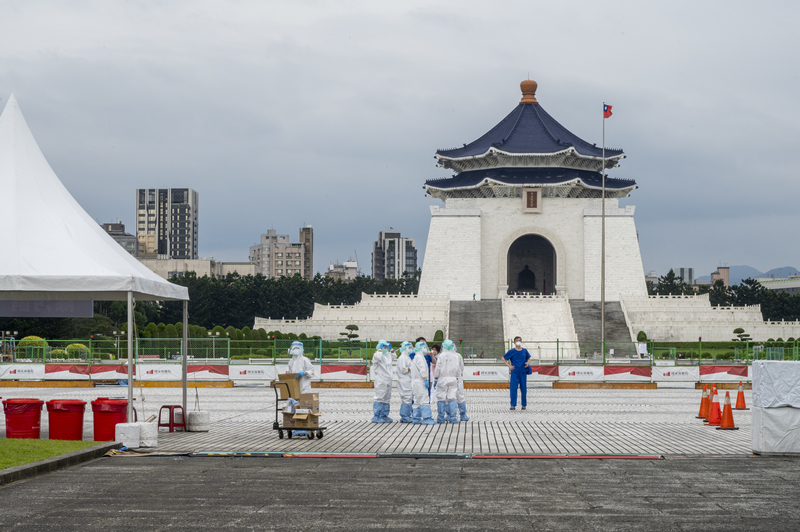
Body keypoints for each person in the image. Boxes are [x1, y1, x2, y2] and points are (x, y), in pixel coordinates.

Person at [287, 340, 315, 437]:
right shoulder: (290, 362)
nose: (295, 350)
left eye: (297, 348)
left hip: (305, 387)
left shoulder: (305, 360)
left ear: (302, 349)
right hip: (295, 388)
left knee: (304, 407)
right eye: (294, 348)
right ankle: (297, 428)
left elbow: (312, 371)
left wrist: (305, 373)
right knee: (295, 407)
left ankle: (305, 427)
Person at [434, 340, 461, 423]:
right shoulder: (455, 356)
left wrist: (436, 378)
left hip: (442, 379)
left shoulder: (441, 356)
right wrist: (457, 377)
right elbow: (458, 369)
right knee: (452, 398)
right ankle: (453, 417)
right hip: (452, 379)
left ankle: (441, 417)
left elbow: (437, 368)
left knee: (441, 398)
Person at [410, 339, 435, 425]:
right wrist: (425, 379)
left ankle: (416, 418)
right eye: (424, 347)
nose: (425, 349)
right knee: (424, 399)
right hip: (420, 381)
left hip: (414, 382)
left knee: (417, 400)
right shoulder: (420, 357)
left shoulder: (416, 357)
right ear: (420, 348)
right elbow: (422, 370)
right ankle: (426, 418)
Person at [503, 336, 531, 410]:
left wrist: (527, 363)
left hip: (523, 372)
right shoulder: (512, 351)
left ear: (521, 341)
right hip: (514, 372)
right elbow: (503, 358)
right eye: (517, 340)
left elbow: (529, 358)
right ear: (514, 342)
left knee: (524, 389)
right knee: (513, 388)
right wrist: (509, 365)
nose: (518, 341)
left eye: (519, 340)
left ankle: (524, 404)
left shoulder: (524, 351)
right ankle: (513, 404)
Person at [371, 340, 396, 423]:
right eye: (384, 347)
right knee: (380, 397)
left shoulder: (387, 355)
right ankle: (376, 416)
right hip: (381, 379)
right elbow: (378, 357)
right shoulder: (376, 354)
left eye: (386, 347)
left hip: (388, 379)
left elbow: (394, 356)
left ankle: (384, 415)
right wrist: (380, 349)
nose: (385, 348)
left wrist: (391, 349)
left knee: (387, 398)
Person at [396, 341, 414, 423]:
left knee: (409, 398)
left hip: (408, 380)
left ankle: (407, 415)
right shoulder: (402, 358)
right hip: (404, 381)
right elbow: (403, 369)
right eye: (409, 348)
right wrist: (410, 368)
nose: (410, 349)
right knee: (406, 398)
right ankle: (405, 416)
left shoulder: (407, 357)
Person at [455, 345, 469, 421]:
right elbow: (461, 367)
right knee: (459, 396)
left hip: (447, 379)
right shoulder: (458, 355)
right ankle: (462, 415)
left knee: (448, 397)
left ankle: (450, 415)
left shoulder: (442, 356)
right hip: (457, 378)